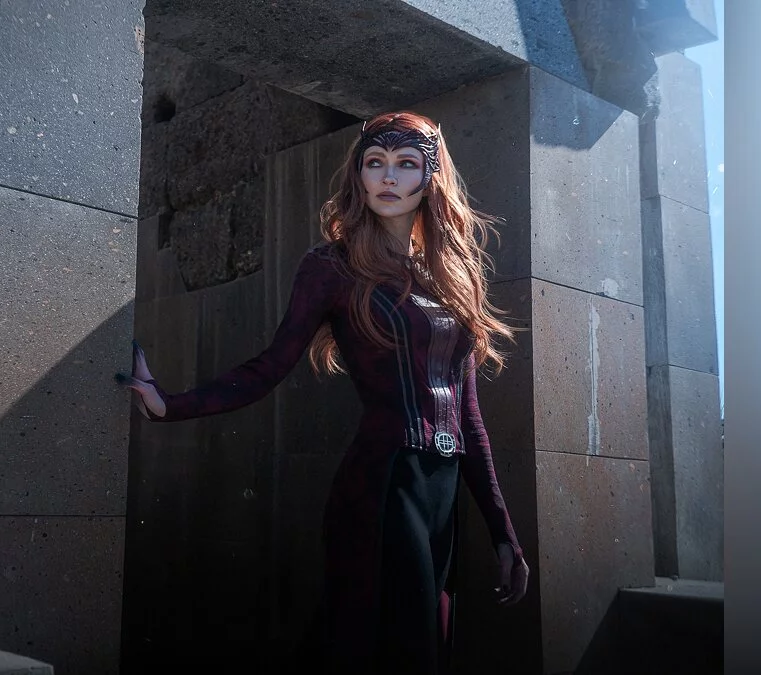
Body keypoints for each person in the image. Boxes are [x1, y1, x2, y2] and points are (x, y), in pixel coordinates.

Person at [116, 111, 529, 674]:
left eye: (406, 164)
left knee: (423, 643)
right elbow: (270, 365)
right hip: (381, 483)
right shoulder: (332, 266)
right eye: (375, 162)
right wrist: (170, 405)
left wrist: (503, 534)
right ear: (359, 175)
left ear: (430, 177)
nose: (388, 176)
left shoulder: (452, 274)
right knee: (391, 650)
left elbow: (469, 419)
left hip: (442, 490)